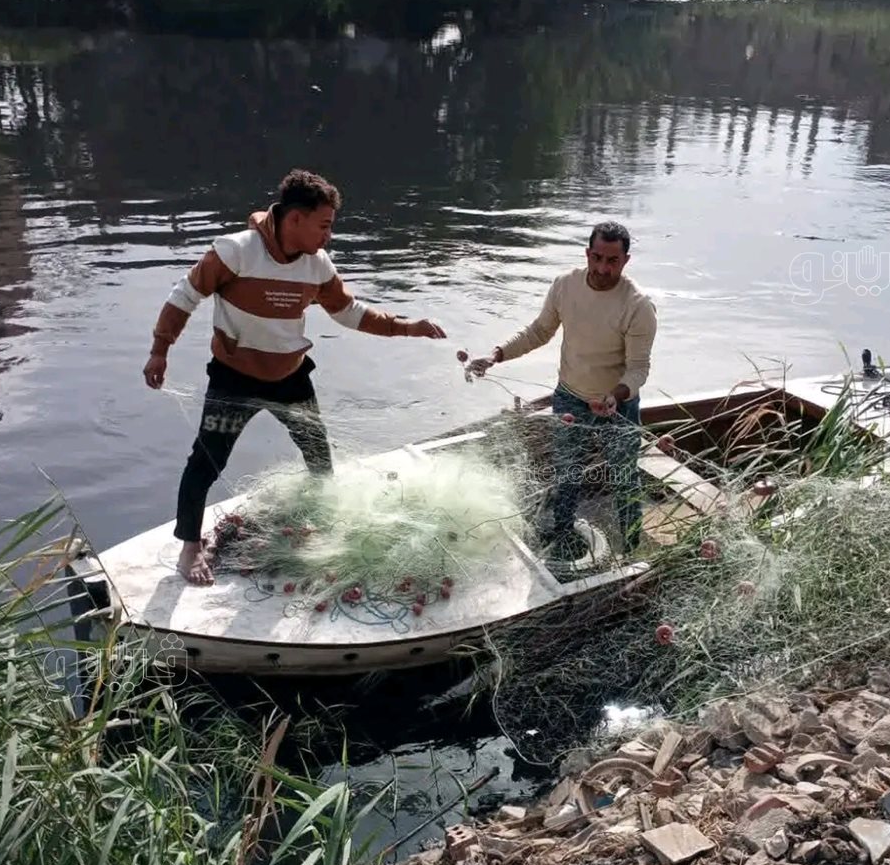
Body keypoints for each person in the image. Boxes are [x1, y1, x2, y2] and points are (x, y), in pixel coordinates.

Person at [144, 169, 445, 585]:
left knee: (319, 457)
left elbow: (348, 312)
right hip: (234, 377)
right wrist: (160, 349)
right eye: (324, 225)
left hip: (291, 376)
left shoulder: (317, 264)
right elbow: (185, 296)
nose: (329, 236)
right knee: (206, 462)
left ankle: (324, 527)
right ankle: (190, 547)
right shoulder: (235, 252)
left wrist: (406, 326)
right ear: (295, 219)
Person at [469, 222, 656, 560]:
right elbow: (539, 331)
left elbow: (638, 369)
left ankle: (631, 551)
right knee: (566, 473)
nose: (602, 268)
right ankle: (563, 536)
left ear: (625, 261)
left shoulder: (638, 305)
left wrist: (616, 395)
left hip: (618, 404)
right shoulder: (565, 286)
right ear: (587, 253)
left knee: (625, 479)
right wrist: (496, 355)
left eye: (612, 261)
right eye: (597, 258)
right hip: (570, 397)